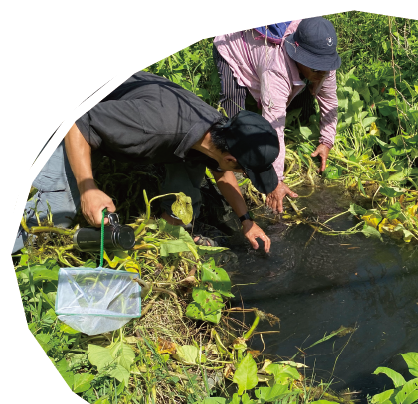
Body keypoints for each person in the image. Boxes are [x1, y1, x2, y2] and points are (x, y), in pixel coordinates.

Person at [13, 71, 279, 255]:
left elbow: (222, 174)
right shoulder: (153, 128)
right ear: (231, 157)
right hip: (74, 115)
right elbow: (77, 122)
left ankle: (167, 231)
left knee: (187, 189)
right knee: (58, 210)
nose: (239, 173)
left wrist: (246, 220)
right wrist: (88, 188)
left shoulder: (217, 132)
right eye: (243, 170)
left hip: (119, 115)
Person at [213, 16, 342, 214]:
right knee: (236, 117)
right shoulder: (277, 68)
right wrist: (275, 182)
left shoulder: (323, 63)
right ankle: (237, 160)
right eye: (316, 68)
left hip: (277, 65)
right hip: (232, 46)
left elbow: (330, 101)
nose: (322, 73)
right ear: (298, 57)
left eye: (326, 67)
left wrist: (326, 141)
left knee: (304, 97)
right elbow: (274, 128)